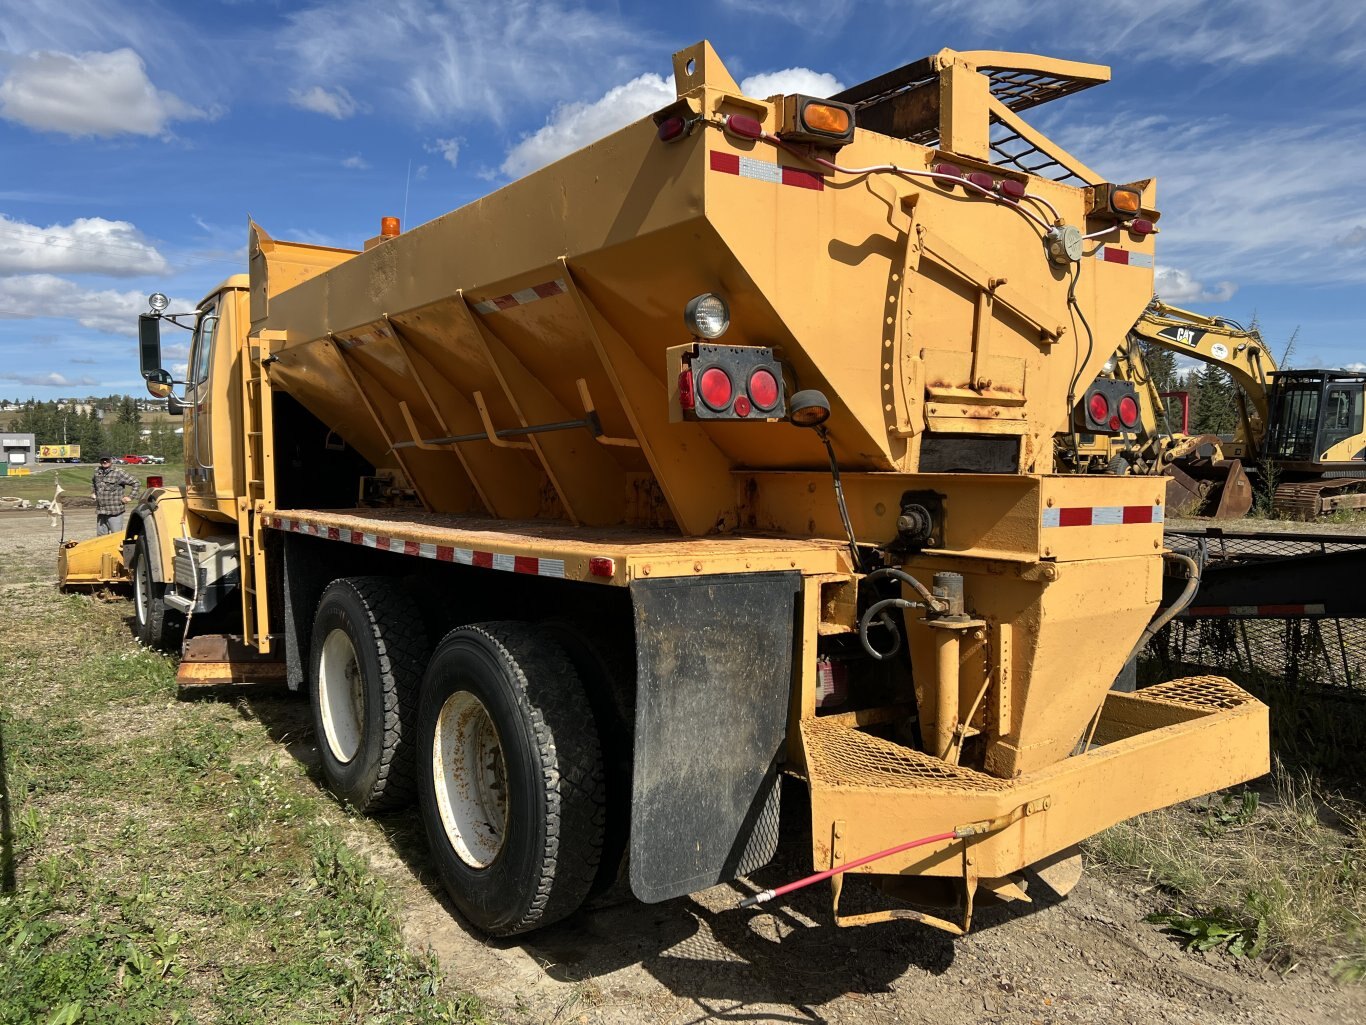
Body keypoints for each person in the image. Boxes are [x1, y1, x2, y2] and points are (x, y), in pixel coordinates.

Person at [91, 454, 137, 535]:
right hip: (101, 512)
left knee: (116, 537)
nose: (105, 461)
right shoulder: (97, 472)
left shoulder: (118, 472)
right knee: (101, 538)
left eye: (107, 459)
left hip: (115, 512)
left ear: (111, 460)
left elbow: (136, 482)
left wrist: (130, 497)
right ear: (100, 461)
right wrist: (93, 492)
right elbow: (93, 482)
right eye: (102, 460)